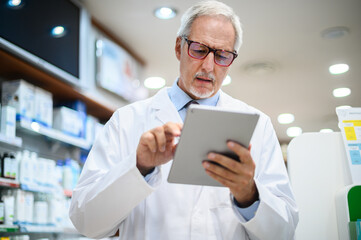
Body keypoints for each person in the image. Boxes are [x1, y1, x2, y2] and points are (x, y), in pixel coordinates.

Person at [69, 1, 299, 239]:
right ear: (179, 47)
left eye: (222, 55)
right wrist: (139, 166)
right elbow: (85, 221)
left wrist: (249, 194)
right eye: (199, 50)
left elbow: (284, 232)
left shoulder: (258, 125)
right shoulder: (126, 121)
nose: (208, 66)